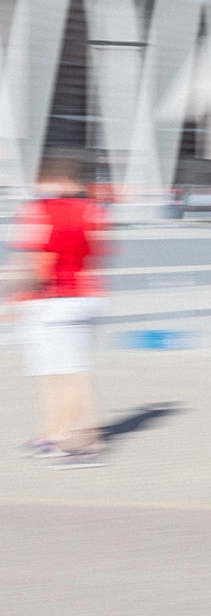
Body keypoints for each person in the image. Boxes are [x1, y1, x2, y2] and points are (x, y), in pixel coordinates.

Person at [7, 154, 110, 467]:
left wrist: (13, 296)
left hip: (53, 299)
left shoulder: (40, 210)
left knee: (63, 374)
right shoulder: (95, 210)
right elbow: (95, 254)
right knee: (63, 371)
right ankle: (53, 434)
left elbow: (35, 260)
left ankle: (78, 443)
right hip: (85, 295)